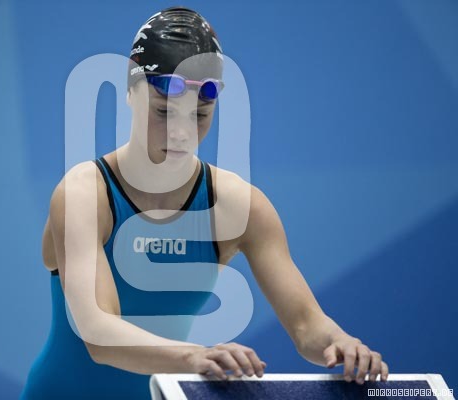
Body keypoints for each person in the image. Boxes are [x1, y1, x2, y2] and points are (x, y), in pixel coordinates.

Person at [21, 6, 389, 399]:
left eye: (200, 115)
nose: (181, 133)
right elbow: (98, 334)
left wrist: (341, 342)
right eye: (164, 111)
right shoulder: (83, 193)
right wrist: (194, 357)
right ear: (130, 89)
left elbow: (306, 326)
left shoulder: (240, 206)